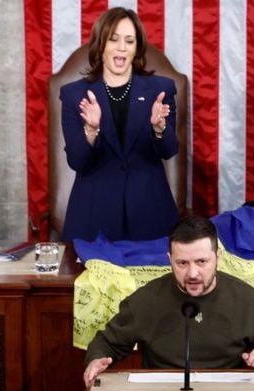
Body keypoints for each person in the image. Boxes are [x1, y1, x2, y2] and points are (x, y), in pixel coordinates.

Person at [82, 216, 254, 387]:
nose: (192, 273)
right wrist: (96, 360)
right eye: (182, 263)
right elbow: (107, 342)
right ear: (169, 259)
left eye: (201, 262)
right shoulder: (147, 299)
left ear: (218, 257)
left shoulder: (246, 299)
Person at [59, 7, 179, 242]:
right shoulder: (75, 94)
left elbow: (169, 150)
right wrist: (91, 130)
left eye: (129, 41)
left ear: (137, 48)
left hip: (151, 214)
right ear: (101, 45)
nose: (121, 47)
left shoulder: (160, 90)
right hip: (93, 218)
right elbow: (76, 161)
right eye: (113, 39)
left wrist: (158, 128)